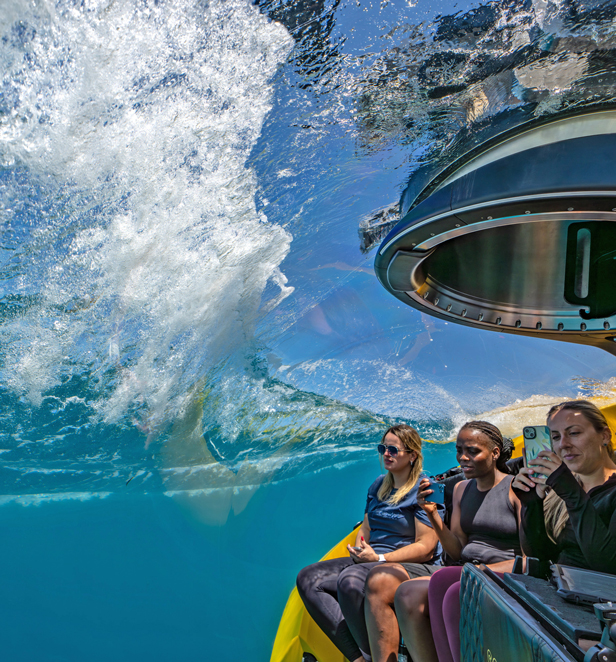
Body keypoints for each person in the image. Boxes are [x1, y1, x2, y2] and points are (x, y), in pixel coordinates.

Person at [362, 421, 521, 662]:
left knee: (445, 589)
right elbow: (456, 550)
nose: (463, 458)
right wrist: (432, 515)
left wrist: (482, 570)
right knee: (407, 593)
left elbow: (530, 557)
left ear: (495, 453)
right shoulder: (460, 490)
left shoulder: (516, 488)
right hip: (466, 568)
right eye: (459, 451)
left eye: (473, 451)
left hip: (499, 573)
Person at [296, 424, 443, 662]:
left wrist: (379, 559)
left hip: (403, 565)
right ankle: (359, 658)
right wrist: (359, 550)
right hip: (371, 560)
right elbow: (365, 528)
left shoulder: (426, 487)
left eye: (393, 449)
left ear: (412, 455)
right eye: (383, 448)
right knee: (307, 578)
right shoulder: (378, 485)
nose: (386, 453)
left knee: (350, 581)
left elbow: (425, 548)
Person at [512, 400, 616, 574]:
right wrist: (531, 506)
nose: (563, 444)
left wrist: (572, 494)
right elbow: (540, 557)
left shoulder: (571, 489)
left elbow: (608, 567)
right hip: (556, 593)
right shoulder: (557, 491)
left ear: (604, 435)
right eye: (555, 437)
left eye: (574, 433)